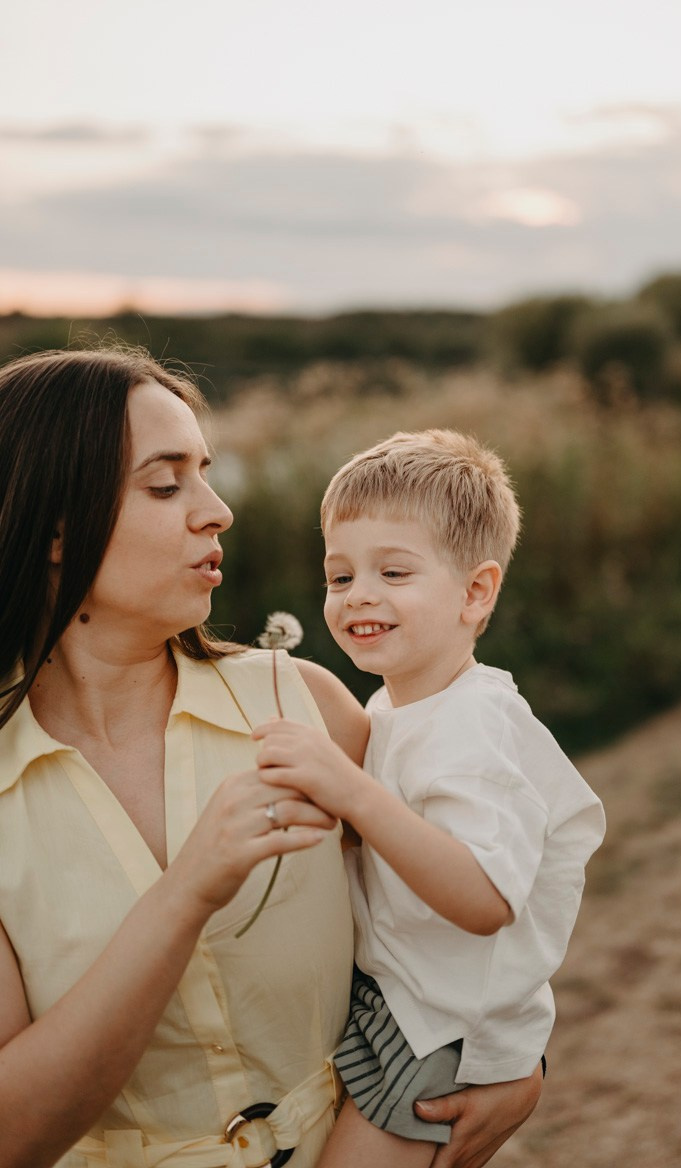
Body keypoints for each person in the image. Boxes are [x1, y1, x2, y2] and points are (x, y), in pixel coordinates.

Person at [0, 349, 543, 1168]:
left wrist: (515, 1060)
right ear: (52, 526)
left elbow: (457, 902)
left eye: (207, 475)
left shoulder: (305, 703)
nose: (216, 511)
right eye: (165, 483)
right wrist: (190, 889)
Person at [253, 430, 606, 1168]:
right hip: (404, 1008)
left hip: (443, 1033)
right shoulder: (395, 709)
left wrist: (348, 790)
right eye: (340, 576)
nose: (360, 597)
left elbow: (482, 900)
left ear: (476, 592)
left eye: (393, 572)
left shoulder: (473, 725)